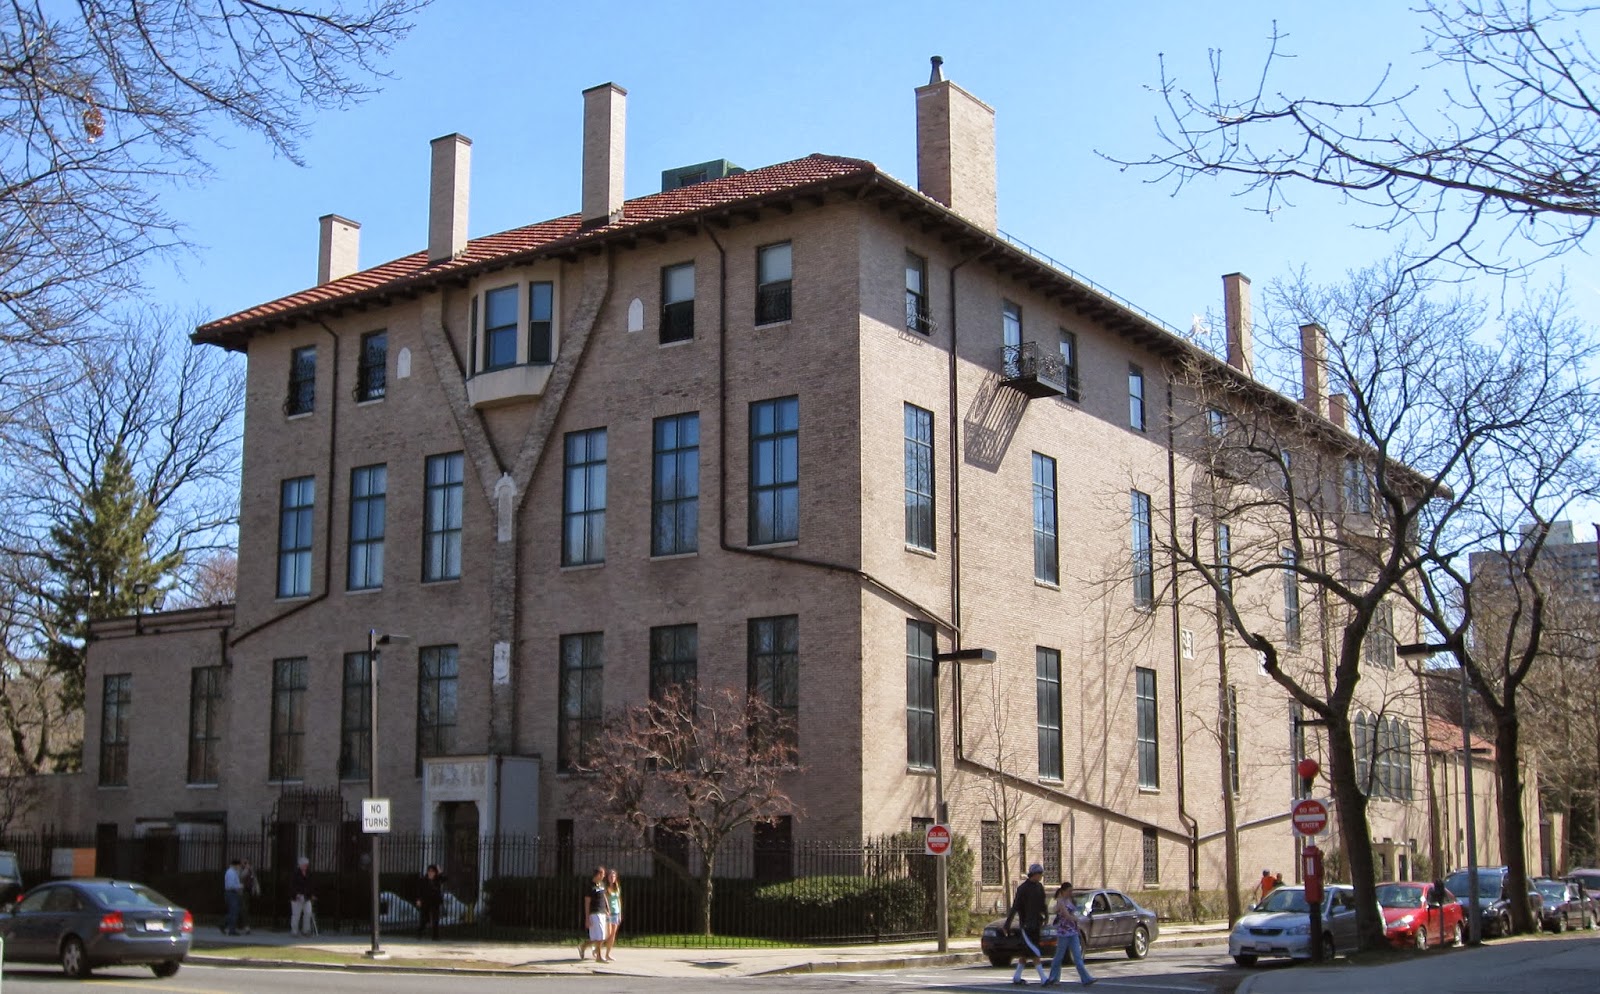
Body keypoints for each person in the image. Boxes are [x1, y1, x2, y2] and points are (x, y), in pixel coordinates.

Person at [1003, 863, 1050, 986]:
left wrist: (1046, 915)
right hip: (1026, 925)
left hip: (1037, 924)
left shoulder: (1039, 887)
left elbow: (1043, 904)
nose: (1041, 876)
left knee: (1026, 953)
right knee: (1034, 951)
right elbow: (1015, 907)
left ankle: (1017, 977)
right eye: (1039, 874)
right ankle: (1043, 978)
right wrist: (1007, 924)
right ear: (1034, 874)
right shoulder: (1023, 889)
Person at [1045, 882, 1096, 986]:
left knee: (1077, 957)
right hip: (1063, 933)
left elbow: (1074, 912)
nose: (1070, 893)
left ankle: (1086, 978)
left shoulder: (1070, 900)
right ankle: (1053, 978)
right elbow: (1066, 915)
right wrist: (1077, 918)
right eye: (1069, 891)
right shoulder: (1060, 902)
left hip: (1073, 932)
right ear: (1063, 891)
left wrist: (1078, 919)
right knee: (1059, 956)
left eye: (1071, 891)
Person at [576, 866, 607, 962]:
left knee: (598, 937)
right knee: (600, 936)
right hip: (594, 912)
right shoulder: (590, 886)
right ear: (598, 874)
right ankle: (599, 956)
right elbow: (587, 902)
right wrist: (587, 918)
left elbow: (604, 896)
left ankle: (583, 946)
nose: (604, 876)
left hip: (602, 912)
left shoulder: (601, 884)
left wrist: (607, 908)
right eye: (603, 874)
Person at [415, 864, 445, 940]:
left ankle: (435, 936)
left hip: (435, 902)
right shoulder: (423, 880)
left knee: (435, 919)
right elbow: (419, 890)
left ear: (435, 873)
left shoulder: (437, 879)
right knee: (424, 919)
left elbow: (444, 879)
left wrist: (440, 872)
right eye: (429, 871)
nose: (430, 873)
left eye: (432, 872)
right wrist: (418, 899)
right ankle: (419, 933)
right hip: (426, 901)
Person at [289, 856, 316, 937]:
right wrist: (296, 894)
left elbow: (311, 885)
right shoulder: (295, 874)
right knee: (296, 914)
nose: (306, 866)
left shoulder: (309, 873)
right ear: (300, 865)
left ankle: (306, 930)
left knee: (308, 913)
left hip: (307, 897)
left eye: (306, 865)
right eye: (304, 865)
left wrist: (311, 895)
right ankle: (294, 931)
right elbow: (292, 886)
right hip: (297, 897)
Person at [601, 867, 623, 962]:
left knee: (613, 934)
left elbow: (618, 901)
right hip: (608, 913)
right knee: (607, 934)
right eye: (611, 876)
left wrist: (620, 913)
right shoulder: (605, 888)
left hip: (615, 912)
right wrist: (605, 910)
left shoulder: (617, 887)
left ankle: (608, 954)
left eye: (614, 876)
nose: (612, 878)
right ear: (608, 877)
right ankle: (597, 949)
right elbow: (602, 900)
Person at [221, 858, 244, 936]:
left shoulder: (233, 872)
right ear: (236, 865)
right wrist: (240, 886)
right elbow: (230, 885)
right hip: (231, 893)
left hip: (233, 893)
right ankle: (231, 929)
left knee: (233, 911)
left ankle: (225, 925)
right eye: (239, 866)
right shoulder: (231, 873)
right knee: (233, 912)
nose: (239, 867)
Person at [239, 859, 260, 935]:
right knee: (244, 909)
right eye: (245, 863)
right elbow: (241, 877)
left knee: (246, 909)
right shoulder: (241, 870)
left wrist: (257, 889)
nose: (247, 864)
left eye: (248, 863)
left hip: (249, 892)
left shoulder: (251, 871)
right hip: (242, 892)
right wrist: (247, 869)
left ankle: (245, 925)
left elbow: (255, 879)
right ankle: (246, 926)